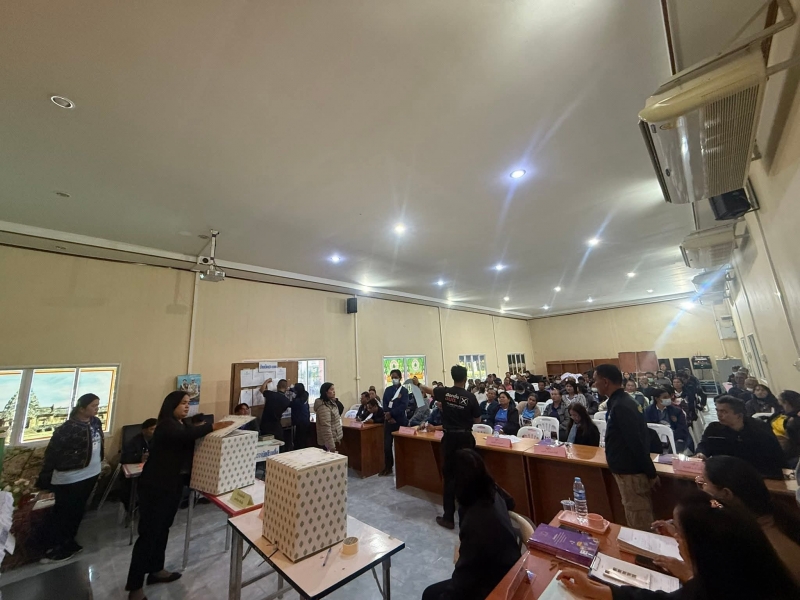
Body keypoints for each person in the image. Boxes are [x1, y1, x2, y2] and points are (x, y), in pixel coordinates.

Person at [557, 491, 800, 600]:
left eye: (679, 534)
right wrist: (600, 590)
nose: (675, 539)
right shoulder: (751, 573)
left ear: (705, 549)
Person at [125, 392, 231, 599]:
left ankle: (156, 570)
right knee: (149, 534)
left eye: (188, 403)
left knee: (163, 529)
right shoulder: (166, 425)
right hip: (156, 486)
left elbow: (190, 435)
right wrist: (213, 426)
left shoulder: (181, 424)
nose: (187, 406)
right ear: (171, 404)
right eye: (183, 403)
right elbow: (185, 436)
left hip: (172, 485)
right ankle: (135, 587)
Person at [421, 450, 520, 600]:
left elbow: (463, 581)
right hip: (509, 567)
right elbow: (511, 503)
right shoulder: (490, 489)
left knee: (430, 595)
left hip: (495, 584)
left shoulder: (475, 522)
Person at [697, 455, 800, 584]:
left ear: (726, 494)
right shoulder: (777, 518)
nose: (701, 486)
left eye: (704, 482)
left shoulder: (759, 546)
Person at [36, 394, 105, 562]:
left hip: (91, 473)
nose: (97, 409)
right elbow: (53, 452)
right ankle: (55, 547)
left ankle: (69, 540)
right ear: (81, 408)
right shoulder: (67, 428)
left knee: (78, 509)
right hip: (70, 476)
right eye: (93, 406)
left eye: (98, 405)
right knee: (63, 512)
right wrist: (46, 475)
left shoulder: (95, 422)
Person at [416, 365, 481, 530]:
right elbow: (477, 420)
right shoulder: (470, 397)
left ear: (453, 377)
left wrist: (417, 383)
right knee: (467, 476)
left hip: (450, 439)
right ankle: (467, 519)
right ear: (465, 378)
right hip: (465, 438)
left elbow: (427, 389)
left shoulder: (445, 393)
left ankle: (448, 518)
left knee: (449, 478)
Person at [594, 364, 657, 530]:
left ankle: (644, 547)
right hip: (625, 469)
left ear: (605, 381)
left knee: (639, 519)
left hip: (631, 471)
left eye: (596, 380)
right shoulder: (619, 401)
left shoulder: (622, 405)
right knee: (632, 514)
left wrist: (650, 471)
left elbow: (636, 441)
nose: (594, 384)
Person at [695, 395, 784, 479]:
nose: (719, 415)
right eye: (717, 411)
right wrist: (701, 453)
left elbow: (775, 455)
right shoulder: (714, 428)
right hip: (723, 472)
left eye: (724, 412)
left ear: (739, 415)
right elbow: (704, 445)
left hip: (757, 474)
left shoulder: (759, 429)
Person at [644, 388, 693, 453]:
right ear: (657, 399)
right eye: (665, 397)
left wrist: (670, 437)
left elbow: (682, 428)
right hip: (656, 438)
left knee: (679, 443)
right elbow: (647, 428)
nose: (668, 399)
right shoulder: (648, 411)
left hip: (674, 437)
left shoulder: (676, 411)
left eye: (668, 397)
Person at [379, 369, 409, 476]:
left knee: (401, 446)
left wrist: (392, 414)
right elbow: (385, 403)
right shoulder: (388, 390)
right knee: (387, 446)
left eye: (396, 377)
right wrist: (388, 415)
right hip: (389, 422)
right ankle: (388, 467)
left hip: (400, 421)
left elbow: (403, 406)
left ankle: (403, 469)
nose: (394, 379)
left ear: (400, 378)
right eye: (392, 377)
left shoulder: (404, 391)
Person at [258, 378, 291, 448]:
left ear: (277, 386)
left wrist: (267, 381)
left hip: (265, 425)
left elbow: (261, 389)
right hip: (276, 426)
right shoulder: (286, 401)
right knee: (278, 446)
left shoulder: (270, 394)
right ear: (286, 388)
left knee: (266, 446)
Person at [772, 390, 800, 468]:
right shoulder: (781, 414)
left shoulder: (794, 420)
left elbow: (795, 443)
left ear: (786, 402)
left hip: (791, 453)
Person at [314, 382, 343, 452]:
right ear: (326, 392)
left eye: (334, 389)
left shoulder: (331, 403)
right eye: (331, 389)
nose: (334, 391)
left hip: (335, 438)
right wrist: (331, 446)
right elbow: (325, 427)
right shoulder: (323, 407)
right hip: (329, 442)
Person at [289, 383, 310, 450]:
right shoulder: (305, 394)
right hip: (305, 420)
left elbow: (290, 404)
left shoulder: (298, 401)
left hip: (299, 422)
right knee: (303, 439)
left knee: (298, 440)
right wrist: (290, 389)